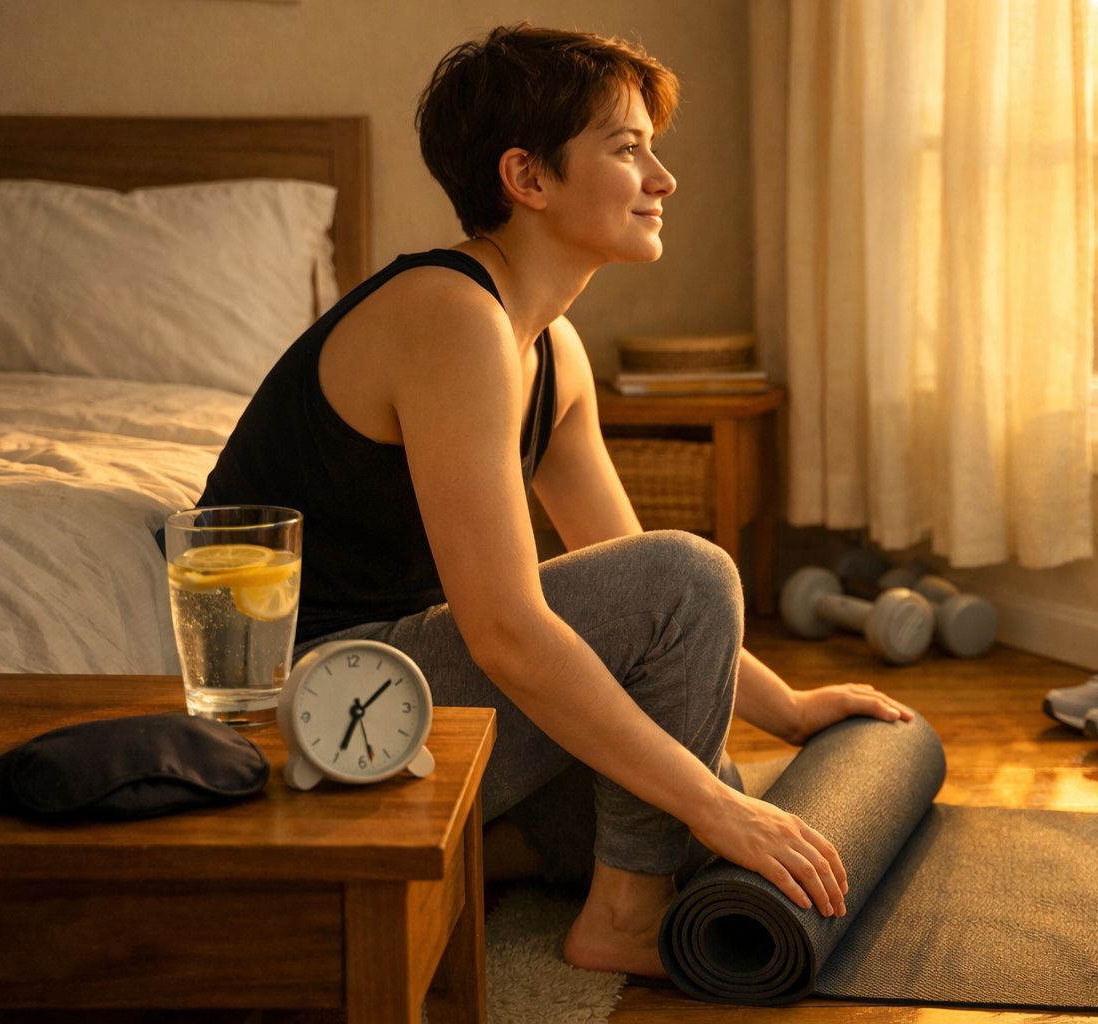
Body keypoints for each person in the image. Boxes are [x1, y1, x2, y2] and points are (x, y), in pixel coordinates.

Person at [196, 23, 913, 977]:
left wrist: (785, 711)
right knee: (694, 764)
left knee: (689, 810)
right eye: (627, 149)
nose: (661, 179)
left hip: (417, 683)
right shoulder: (448, 316)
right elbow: (511, 628)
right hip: (325, 702)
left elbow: (625, 572)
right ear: (528, 179)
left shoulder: (550, 348)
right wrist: (712, 800)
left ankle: (449, 862)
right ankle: (618, 920)